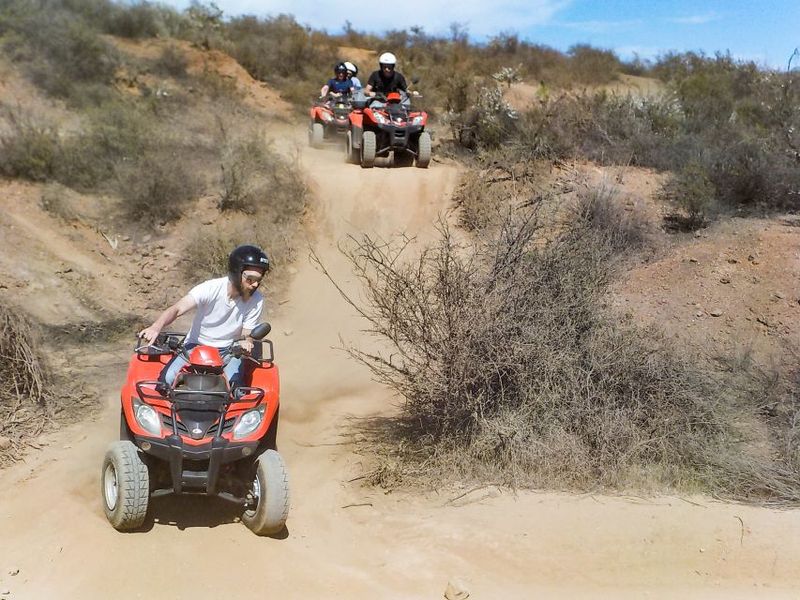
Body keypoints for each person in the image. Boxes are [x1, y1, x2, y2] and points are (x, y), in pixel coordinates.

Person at [138, 244, 269, 389]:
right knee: (165, 382)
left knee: (238, 389)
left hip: (229, 351)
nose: (255, 284)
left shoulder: (256, 299)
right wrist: (156, 327)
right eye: (250, 279)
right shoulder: (210, 288)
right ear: (236, 272)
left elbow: (247, 333)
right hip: (194, 346)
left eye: (259, 280)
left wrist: (247, 342)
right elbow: (177, 308)